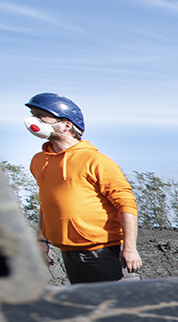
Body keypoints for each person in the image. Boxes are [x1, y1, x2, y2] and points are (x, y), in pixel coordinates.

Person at [25, 93, 141, 283]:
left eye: (41, 116)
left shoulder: (95, 161)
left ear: (66, 125)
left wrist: (129, 248)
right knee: (88, 307)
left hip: (103, 252)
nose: (32, 120)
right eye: (32, 114)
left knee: (118, 306)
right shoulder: (39, 161)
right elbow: (46, 204)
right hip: (68, 252)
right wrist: (41, 242)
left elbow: (127, 205)